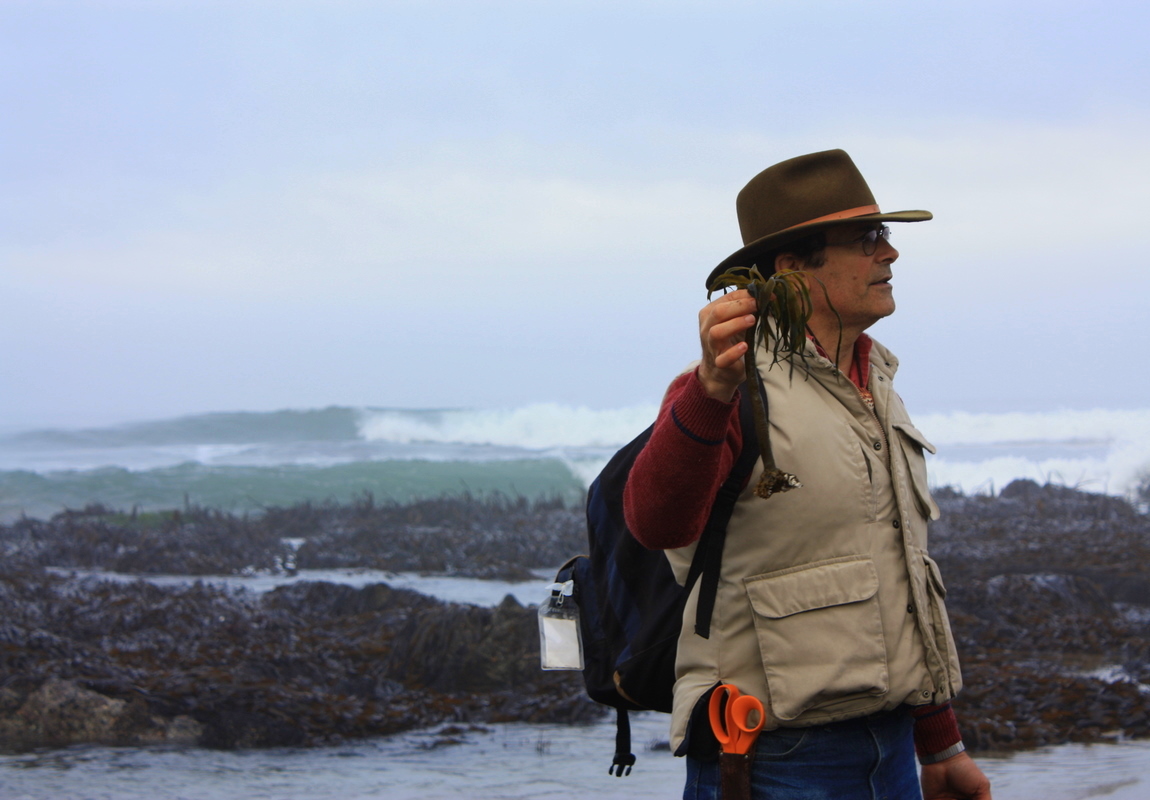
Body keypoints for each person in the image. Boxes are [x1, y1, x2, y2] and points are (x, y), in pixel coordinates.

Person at [623, 149, 992, 800]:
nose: (890, 254)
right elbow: (654, 522)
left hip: (894, 751)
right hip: (768, 758)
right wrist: (710, 388)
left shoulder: (877, 383)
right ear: (793, 269)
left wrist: (940, 745)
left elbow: (898, 572)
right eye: (867, 239)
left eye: (885, 235)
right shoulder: (730, 387)